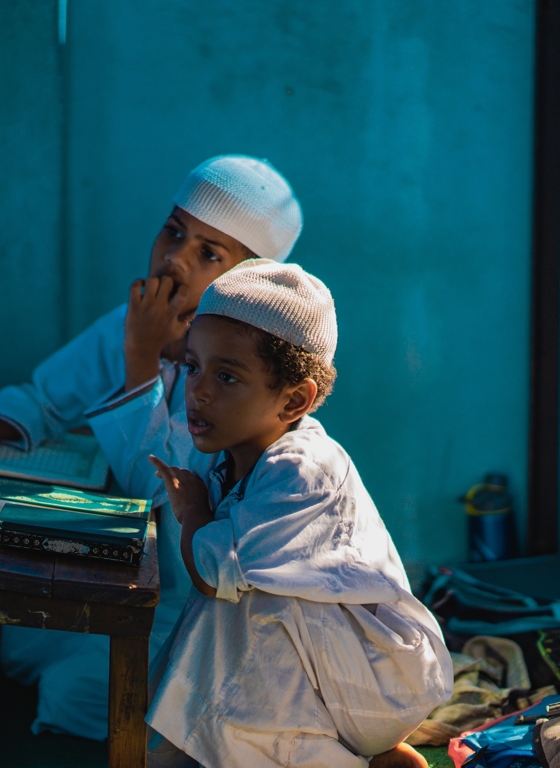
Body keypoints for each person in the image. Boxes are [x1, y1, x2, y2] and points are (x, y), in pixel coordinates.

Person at [0, 155, 303, 740]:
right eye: (174, 232)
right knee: (19, 639)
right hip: (124, 566)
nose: (175, 258)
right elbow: (45, 397)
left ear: (250, 281)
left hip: (200, 606)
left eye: (209, 253)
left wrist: (140, 359)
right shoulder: (135, 323)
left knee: (74, 693)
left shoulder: (247, 378)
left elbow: (154, 488)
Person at [144, 261, 451, 768]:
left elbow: (210, 572)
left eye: (226, 375)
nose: (198, 390)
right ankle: (357, 756)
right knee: (243, 603)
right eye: (193, 366)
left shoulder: (304, 471)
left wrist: (193, 509)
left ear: (294, 400)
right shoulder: (235, 450)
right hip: (334, 679)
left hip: (380, 683)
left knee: (241, 603)